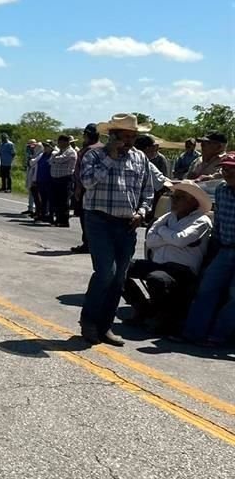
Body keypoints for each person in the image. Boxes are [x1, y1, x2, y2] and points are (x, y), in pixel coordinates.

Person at [78, 113, 155, 346]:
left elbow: (147, 191)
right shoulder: (94, 155)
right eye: (125, 136)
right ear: (112, 136)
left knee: (119, 277)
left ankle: (105, 326)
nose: (130, 141)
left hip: (127, 224)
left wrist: (142, 212)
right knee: (105, 273)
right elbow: (88, 182)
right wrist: (110, 157)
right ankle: (89, 322)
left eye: (133, 136)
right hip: (99, 220)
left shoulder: (140, 158)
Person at [122, 181, 213, 333]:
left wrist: (163, 233)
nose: (173, 200)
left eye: (179, 197)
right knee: (119, 268)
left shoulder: (201, 220)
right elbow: (150, 241)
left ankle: (166, 319)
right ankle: (143, 308)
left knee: (156, 278)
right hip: (160, 264)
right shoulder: (167, 217)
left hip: (182, 270)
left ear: (192, 201)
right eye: (173, 196)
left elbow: (180, 240)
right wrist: (171, 238)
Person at [182, 153, 235, 346]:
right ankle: (193, 333)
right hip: (225, 248)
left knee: (234, 296)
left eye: (231, 169)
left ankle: (219, 334)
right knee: (206, 289)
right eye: (225, 169)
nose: (227, 172)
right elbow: (219, 221)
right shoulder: (221, 190)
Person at [71, 124, 103, 253]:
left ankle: (88, 243)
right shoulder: (104, 148)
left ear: (87, 135)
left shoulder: (87, 150)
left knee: (85, 217)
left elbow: (80, 172)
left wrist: (78, 188)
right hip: (100, 190)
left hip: (86, 188)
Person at [49, 135, 77, 227]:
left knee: (64, 200)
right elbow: (50, 161)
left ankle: (64, 221)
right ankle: (57, 219)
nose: (58, 144)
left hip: (65, 179)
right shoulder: (60, 151)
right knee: (56, 200)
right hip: (55, 179)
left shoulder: (71, 152)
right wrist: (54, 157)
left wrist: (54, 157)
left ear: (66, 142)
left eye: (60, 142)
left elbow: (60, 159)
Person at [35, 140, 55, 222]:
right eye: (45, 146)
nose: (45, 148)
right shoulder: (42, 155)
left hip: (49, 179)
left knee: (49, 199)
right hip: (41, 179)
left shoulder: (53, 155)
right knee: (42, 199)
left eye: (47, 146)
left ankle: (50, 215)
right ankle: (42, 214)